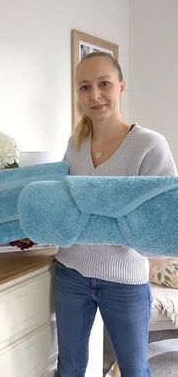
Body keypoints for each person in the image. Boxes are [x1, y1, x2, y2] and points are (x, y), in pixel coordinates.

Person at [54, 51, 177, 377]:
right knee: (69, 369)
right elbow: (67, 206)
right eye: (84, 87)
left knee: (135, 370)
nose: (94, 95)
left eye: (104, 83)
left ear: (121, 87)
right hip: (71, 274)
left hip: (125, 280)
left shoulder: (149, 146)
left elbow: (164, 223)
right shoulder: (75, 144)